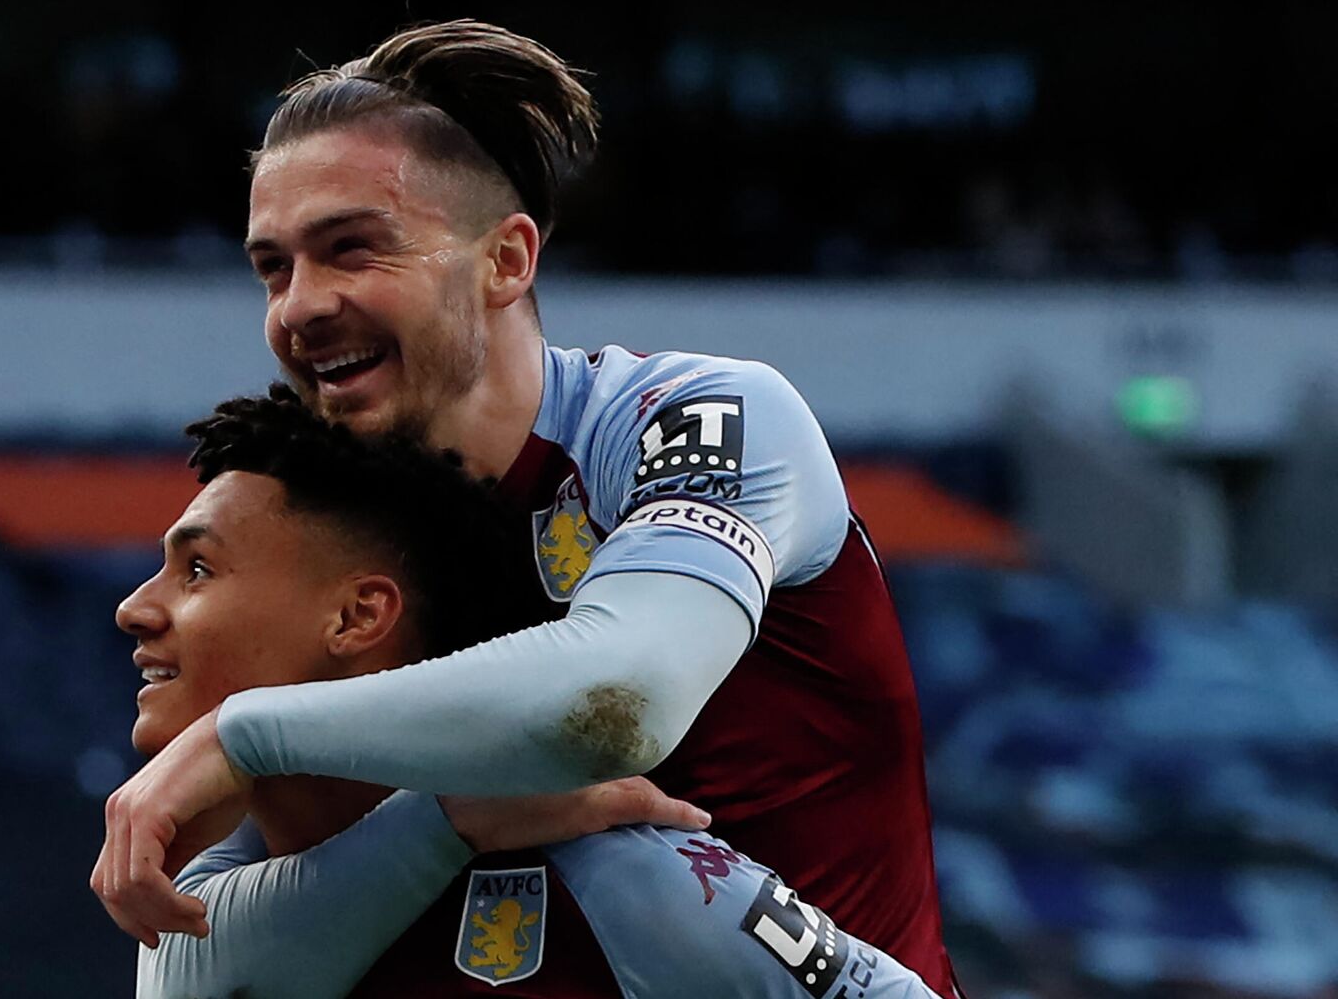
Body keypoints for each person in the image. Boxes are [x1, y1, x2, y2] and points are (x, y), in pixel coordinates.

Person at [94, 20, 963, 996]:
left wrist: (241, 732)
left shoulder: (695, 419)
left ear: (506, 262)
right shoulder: (360, 557)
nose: (297, 307)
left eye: (351, 250)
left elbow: (621, 699)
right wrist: (442, 820)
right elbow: (192, 956)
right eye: (274, 268)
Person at [122, 389, 940, 998]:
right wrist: (447, 818)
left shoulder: (633, 881)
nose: (135, 607)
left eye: (196, 570)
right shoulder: (212, 875)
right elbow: (190, 972)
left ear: (358, 615)